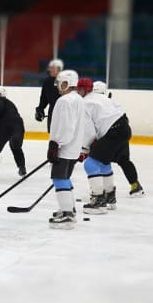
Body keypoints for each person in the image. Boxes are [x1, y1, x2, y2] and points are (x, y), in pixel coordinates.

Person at [78, 78, 133, 214]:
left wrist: (84, 149)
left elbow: (89, 131)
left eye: (79, 89)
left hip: (113, 131)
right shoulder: (101, 98)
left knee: (90, 164)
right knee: (103, 162)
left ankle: (98, 201)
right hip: (124, 129)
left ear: (84, 90)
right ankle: (109, 197)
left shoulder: (84, 103)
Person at [45, 69, 85, 228]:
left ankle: (67, 215)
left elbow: (66, 126)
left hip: (64, 147)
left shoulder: (65, 101)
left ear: (67, 83)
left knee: (59, 178)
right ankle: (69, 208)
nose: (58, 87)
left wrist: (56, 144)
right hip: (74, 147)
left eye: (60, 83)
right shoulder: (79, 99)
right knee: (65, 177)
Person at [94, 81, 145, 197]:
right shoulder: (113, 103)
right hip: (122, 134)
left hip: (111, 136)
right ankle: (135, 185)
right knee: (124, 161)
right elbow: (125, 119)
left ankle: (103, 191)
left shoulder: (96, 105)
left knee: (100, 161)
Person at [36, 58, 63, 129]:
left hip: (64, 112)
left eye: (52, 68)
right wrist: (40, 109)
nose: (49, 70)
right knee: (52, 135)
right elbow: (44, 98)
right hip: (52, 112)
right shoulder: (47, 82)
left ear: (59, 69)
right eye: (50, 68)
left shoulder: (65, 81)